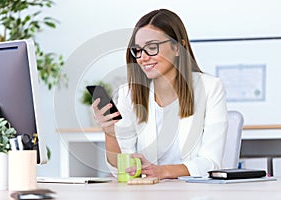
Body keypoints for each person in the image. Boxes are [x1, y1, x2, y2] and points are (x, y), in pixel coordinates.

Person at [92, 9, 228, 179]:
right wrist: (110, 133)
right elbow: (121, 170)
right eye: (138, 50)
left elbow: (211, 162)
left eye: (151, 47)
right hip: (147, 193)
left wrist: (162, 171)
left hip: (194, 192)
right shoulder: (128, 94)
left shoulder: (210, 88)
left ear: (178, 47)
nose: (143, 57)